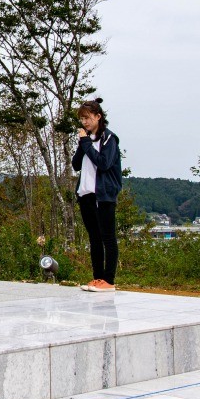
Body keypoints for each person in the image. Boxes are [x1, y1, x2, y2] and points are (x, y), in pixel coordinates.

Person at [72, 98, 122, 292]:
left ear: (98, 116)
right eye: (82, 119)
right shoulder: (86, 140)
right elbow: (76, 164)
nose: (84, 122)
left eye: (87, 118)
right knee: (94, 238)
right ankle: (97, 278)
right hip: (86, 194)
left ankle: (109, 280)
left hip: (103, 195)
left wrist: (86, 143)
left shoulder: (109, 139)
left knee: (108, 237)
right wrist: (83, 143)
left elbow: (104, 163)